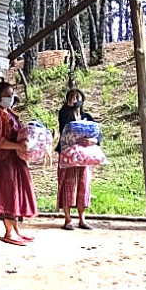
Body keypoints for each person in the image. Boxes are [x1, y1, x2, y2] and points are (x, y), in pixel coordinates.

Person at [0, 81, 38, 245]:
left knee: (16, 194)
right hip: (3, 160)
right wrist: (18, 146)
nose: (11, 98)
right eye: (8, 95)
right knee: (8, 195)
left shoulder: (8, 112)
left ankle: (16, 231)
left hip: (14, 159)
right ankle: (8, 232)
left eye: (12, 94)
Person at [57, 89, 96, 230]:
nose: (75, 100)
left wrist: (93, 140)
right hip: (68, 155)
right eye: (72, 97)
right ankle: (67, 219)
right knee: (68, 186)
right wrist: (67, 107)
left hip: (84, 157)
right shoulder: (64, 113)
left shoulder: (88, 117)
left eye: (78, 97)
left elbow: (97, 133)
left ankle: (82, 219)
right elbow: (63, 123)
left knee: (83, 186)